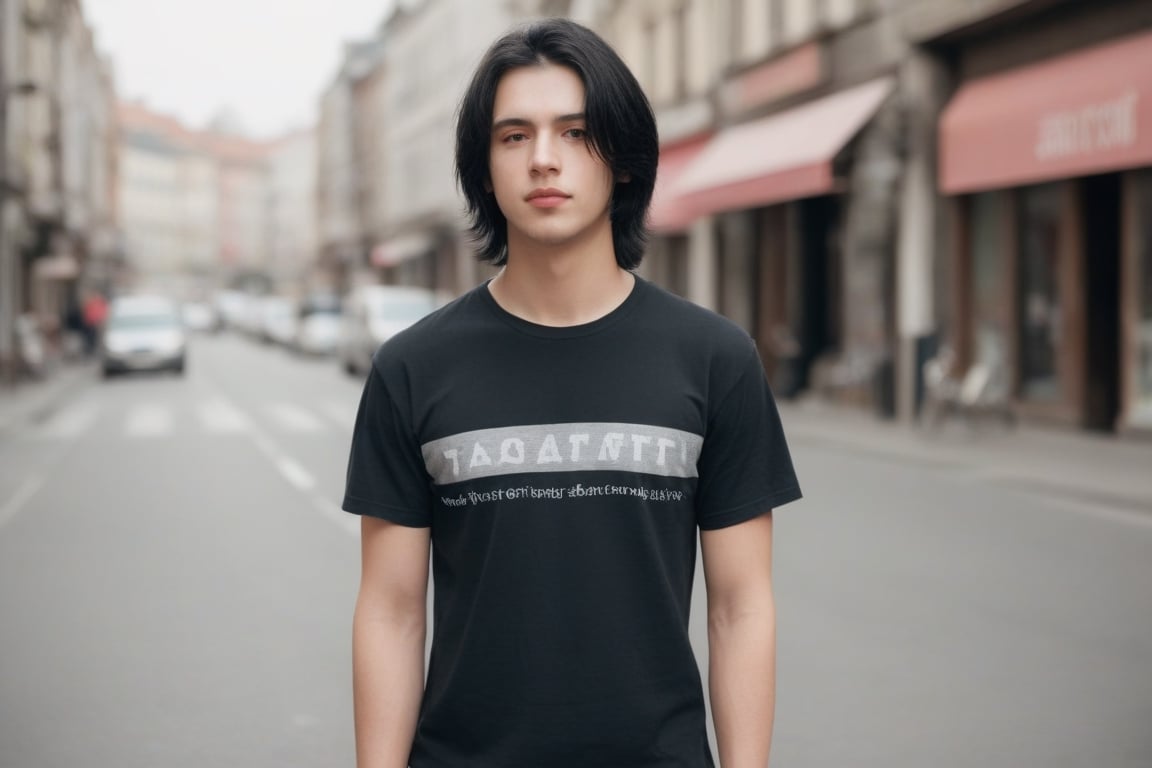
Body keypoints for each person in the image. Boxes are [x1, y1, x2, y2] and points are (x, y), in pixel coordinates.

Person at [344, 18, 801, 768]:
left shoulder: (715, 359)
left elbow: (740, 607)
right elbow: (391, 613)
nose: (545, 160)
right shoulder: (412, 367)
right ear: (483, 167)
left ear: (622, 159)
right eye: (514, 136)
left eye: (577, 132)